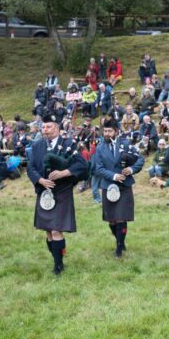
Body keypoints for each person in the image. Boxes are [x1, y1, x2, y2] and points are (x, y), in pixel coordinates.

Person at [26, 115, 87, 275]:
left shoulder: (68, 144)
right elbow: (30, 167)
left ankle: (58, 266)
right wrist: (40, 180)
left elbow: (82, 165)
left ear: (57, 129)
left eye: (49, 127)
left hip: (62, 192)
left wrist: (63, 173)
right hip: (44, 191)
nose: (45, 130)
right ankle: (57, 259)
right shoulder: (37, 145)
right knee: (48, 230)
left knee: (56, 230)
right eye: (43, 127)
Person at [92, 118, 144, 258]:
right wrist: (114, 176)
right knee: (112, 219)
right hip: (108, 186)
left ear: (116, 131)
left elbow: (140, 159)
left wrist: (132, 169)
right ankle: (119, 240)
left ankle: (119, 248)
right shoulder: (100, 148)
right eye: (105, 131)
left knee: (121, 217)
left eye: (110, 131)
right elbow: (99, 168)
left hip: (124, 186)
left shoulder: (125, 143)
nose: (107, 134)